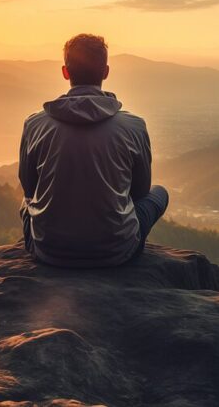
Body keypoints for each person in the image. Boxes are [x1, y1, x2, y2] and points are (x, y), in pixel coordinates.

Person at [18, 33, 169, 267]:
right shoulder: (134, 126)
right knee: (159, 193)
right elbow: (140, 192)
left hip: (48, 250)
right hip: (117, 251)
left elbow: (29, 188)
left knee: (26, 201)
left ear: (65, 72)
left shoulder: (35, 124)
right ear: (106, 72)